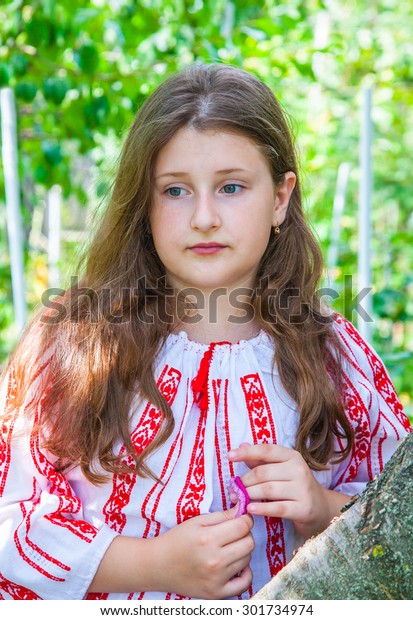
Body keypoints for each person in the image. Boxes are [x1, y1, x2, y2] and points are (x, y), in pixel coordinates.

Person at [0, 63, 411, 601]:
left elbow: (397, 515)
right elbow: (15, 517)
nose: (204, 217)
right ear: (143, 204)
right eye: (175, 191)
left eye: (232, 187)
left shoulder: (334, 354)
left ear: (280, 198)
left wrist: (319, 508)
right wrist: (153, 564)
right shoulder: (76, 344)